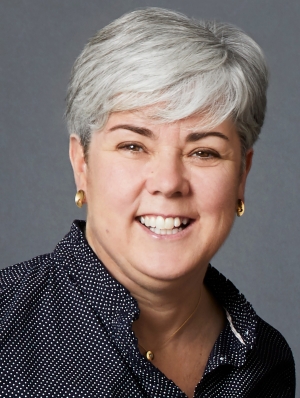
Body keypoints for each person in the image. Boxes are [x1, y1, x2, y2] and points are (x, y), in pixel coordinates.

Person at [0, 7, 295, 398]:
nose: (169, 183)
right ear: (81, 163)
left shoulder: (266, 361)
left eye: (204, 152)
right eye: (134, 145)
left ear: (242, 174)